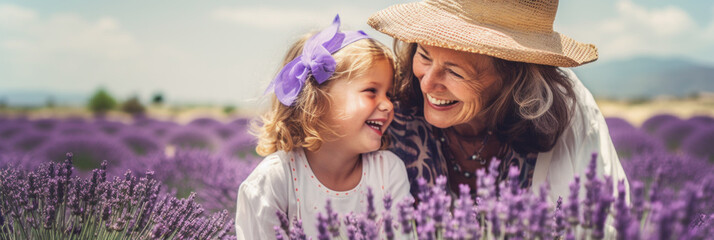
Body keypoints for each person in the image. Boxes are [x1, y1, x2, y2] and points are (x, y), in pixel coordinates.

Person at [367, 0, 629, 204]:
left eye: (456, 72)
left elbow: (605, 222)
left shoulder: (568, 109)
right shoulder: (386, 103)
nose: (427, 83)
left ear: (512, 80)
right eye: (423, 56)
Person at [235, 15, 411, 239]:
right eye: (371, 91)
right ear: (317, 100)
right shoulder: (273, 181)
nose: (387, 104)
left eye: (390, 94)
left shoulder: (387, 172)